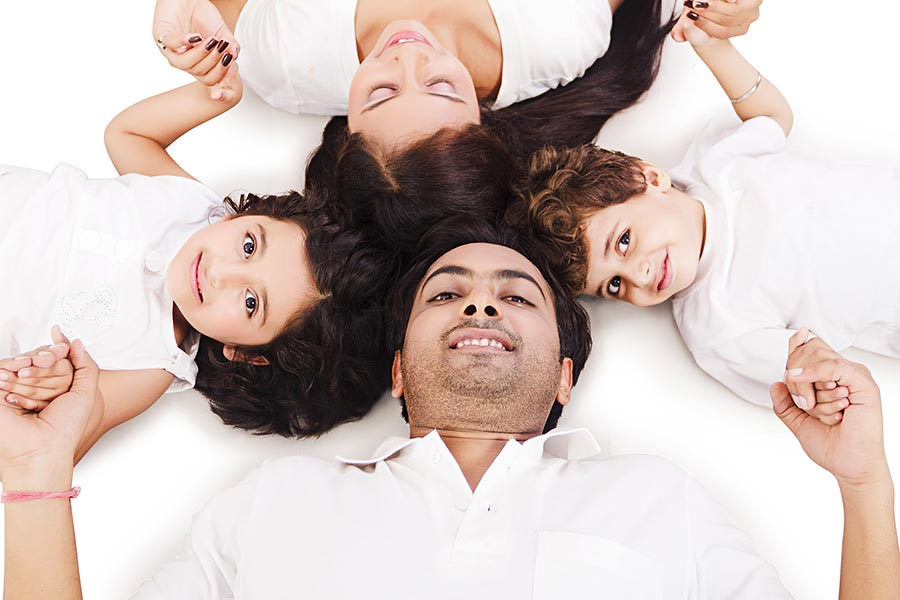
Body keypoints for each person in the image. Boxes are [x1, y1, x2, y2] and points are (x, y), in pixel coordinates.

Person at [2, 224, 897, 598]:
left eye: (517, 296)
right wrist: (37, 476)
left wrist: (863, 483)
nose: (480, 306)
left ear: (564, 379)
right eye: (447, 295)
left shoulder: (667, 503)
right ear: (398, 368)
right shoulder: (269, 505)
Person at [505, 20, 900, 417]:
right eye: (614, 285)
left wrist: (713, 48)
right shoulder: (715, 326)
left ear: (648, 178)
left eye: (624, 242)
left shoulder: (716, 162)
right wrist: (816, 378)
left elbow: (772, 116)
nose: (639, 278)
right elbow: (801, 365)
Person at [0, 68, 394, 460]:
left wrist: (48, 389)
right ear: (246, 217)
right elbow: (128, 135)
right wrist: (212, 95)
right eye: (249, 245)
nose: (220, 273)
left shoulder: (153, 366)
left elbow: (53, 446)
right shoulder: (192, 206)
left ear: (243, 352)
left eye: (251, 302)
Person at [150, 0, 761, 251]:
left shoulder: (286, 62)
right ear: (484, 117)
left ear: (347, 128)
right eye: (443, 86)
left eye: (381, 91)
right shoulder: (555, 37)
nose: (408, 54)